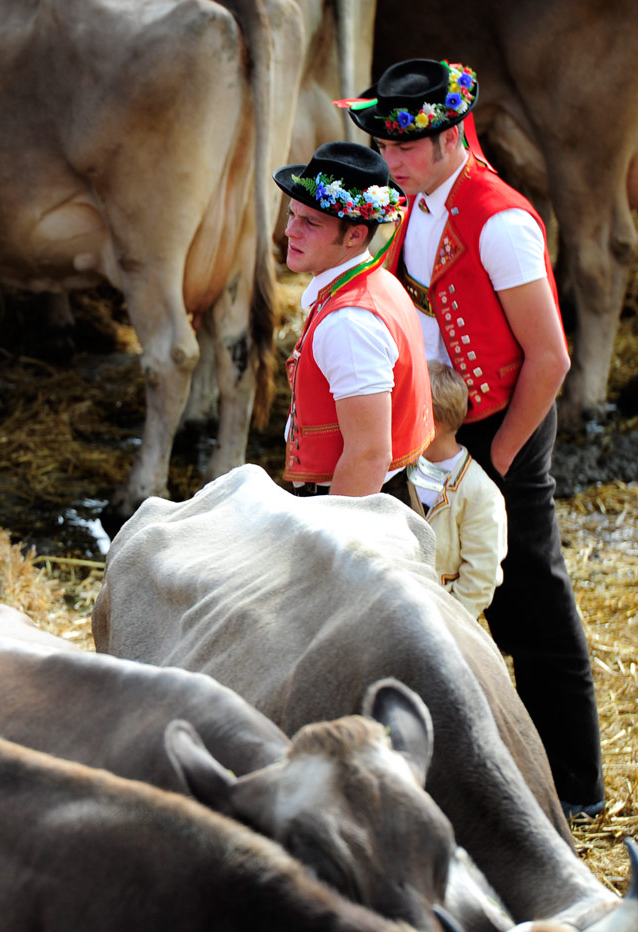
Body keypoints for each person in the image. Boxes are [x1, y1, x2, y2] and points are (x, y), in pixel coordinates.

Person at [349, 58, 605, 815]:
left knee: (530, 589)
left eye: (401, 146)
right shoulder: (420, 200)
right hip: (439, 417)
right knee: (436, 585)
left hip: (502, 420)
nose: (388, 161)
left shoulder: (501, 222)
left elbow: (552, 358)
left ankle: (578, 791)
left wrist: (493, 462)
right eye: (385, 145)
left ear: (451, 136)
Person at [274, 142, 434, 497]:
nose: (290, 231)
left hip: (356, 510)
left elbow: (368, 455)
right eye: (291, 215)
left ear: (356, 235)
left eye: (311, 222)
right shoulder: (371, 283)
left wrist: (333, 544)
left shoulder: (349, 322)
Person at [407, 362, 507, 619]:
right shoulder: (401, 472)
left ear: (431, 424)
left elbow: (480, 580)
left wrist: (447, 624)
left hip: (446, 624)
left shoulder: (480, 493)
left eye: (410, 412)